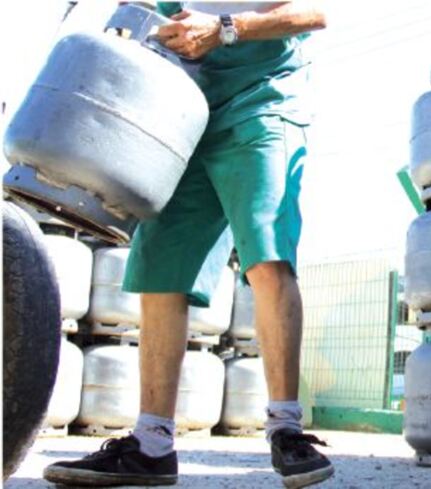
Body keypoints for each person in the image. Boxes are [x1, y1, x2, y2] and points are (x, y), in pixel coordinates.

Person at [43, 2, 331, 487]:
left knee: (266, 254)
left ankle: (287, 430)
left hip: (262, 103)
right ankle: (151, 444)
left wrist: (225, 29)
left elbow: (313, 13)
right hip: (182, 113)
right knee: (160, 267)